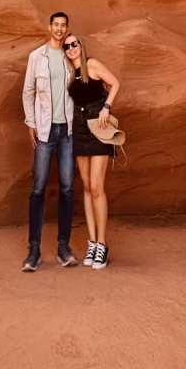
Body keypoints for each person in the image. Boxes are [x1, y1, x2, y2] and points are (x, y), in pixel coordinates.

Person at [20, 10, 77, 272]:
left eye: (63, 25)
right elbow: (28, 91)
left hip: (66, 131)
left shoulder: (70, 56)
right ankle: (34, 250)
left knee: (67, 188)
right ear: (49, 27)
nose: (59, 29)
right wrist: (30, 122)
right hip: (44, 131)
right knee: (38, 188)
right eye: (56, 25)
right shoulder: (37, 57)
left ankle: (63, 247)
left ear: (67, 28)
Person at [64, 33, 121, 270]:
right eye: (67, 46)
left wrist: (107, 106)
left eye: (74, 44)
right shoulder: (69, 74)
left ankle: (102, 243)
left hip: (98, 127)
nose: (71, 48)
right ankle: (92, 243)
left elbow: (116, 83)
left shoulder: (92, 64)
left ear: (81, 46)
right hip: (79, 129)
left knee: (97, 187)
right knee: (86, 187)